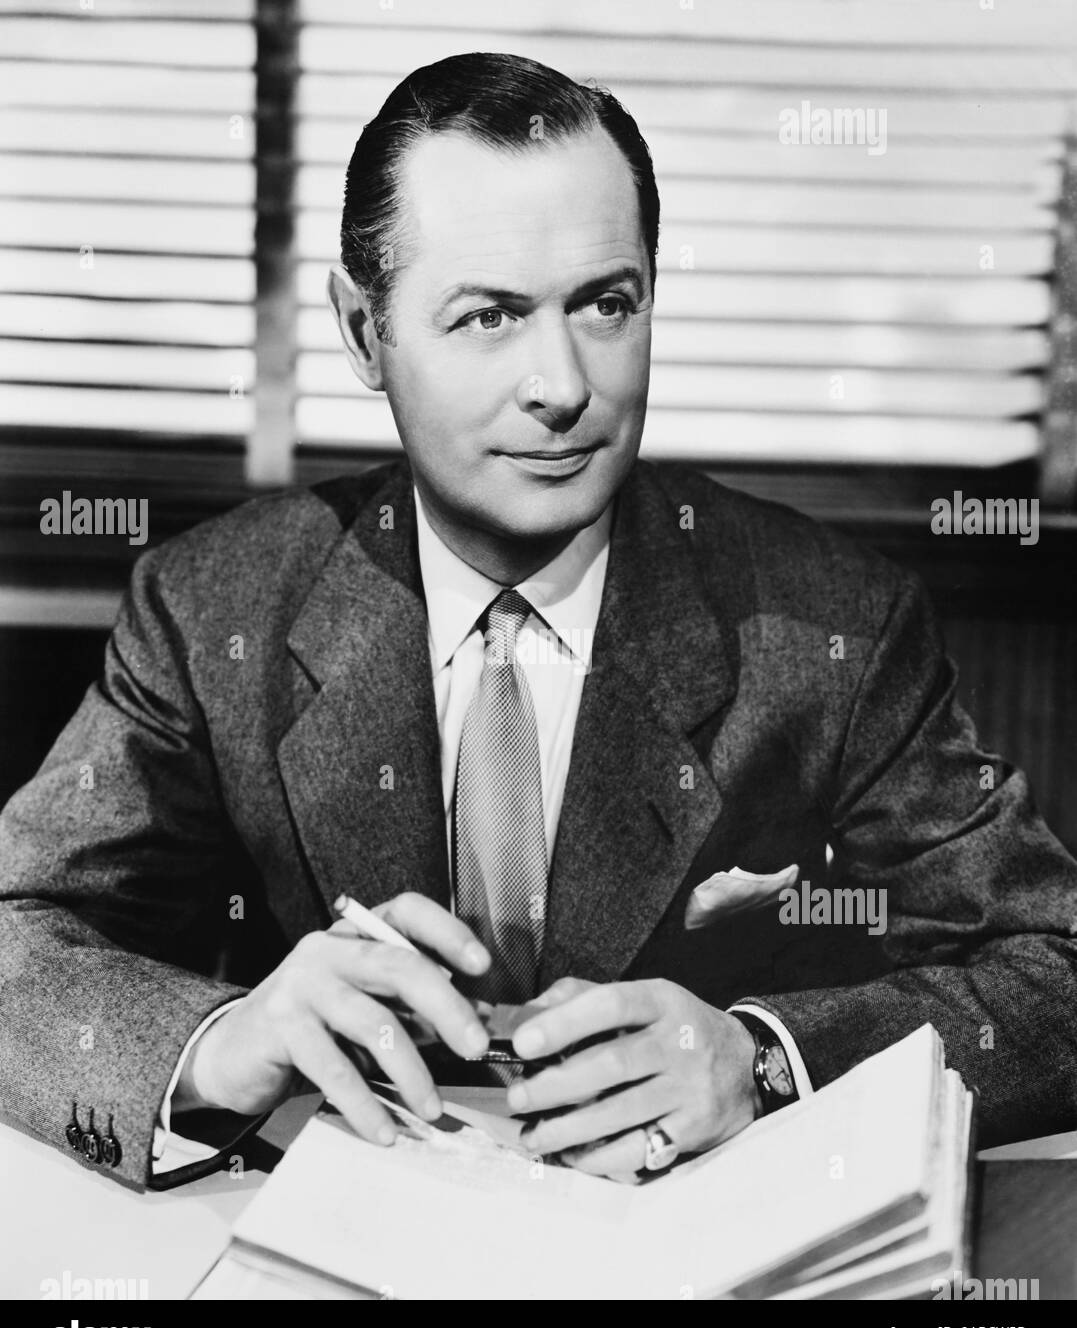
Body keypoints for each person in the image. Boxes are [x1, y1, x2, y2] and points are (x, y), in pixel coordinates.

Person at [2, 53, 1075, 1194]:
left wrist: (761, 1059)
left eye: (607, 304)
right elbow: (19, 933)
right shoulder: (213, 609)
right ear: (365, 334)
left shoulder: (831, 624)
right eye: (489, 316)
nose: (564, 383)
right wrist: (226, 1042)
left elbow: (1056, 964)